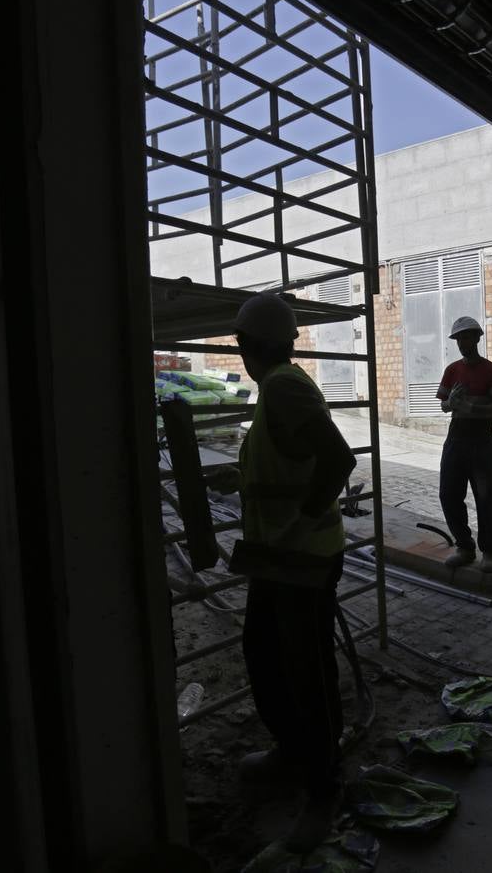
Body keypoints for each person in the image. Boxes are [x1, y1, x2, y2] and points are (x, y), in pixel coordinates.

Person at [204, 293, 356, 853]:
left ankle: (324, 785)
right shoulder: (279, 388)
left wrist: (297, 529)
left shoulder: (284, 386)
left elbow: (338, 460)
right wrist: (239, 481)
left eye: (240, 343)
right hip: (280, 554)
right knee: (264, 653)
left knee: (305, 669)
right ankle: (293, 752)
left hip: (303, 555)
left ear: (249, 345)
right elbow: (288, 463)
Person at [436, 316, 492, 573]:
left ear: (477, 337)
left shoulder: (491, 371)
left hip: (481, 440)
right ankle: (465, 547)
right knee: (448, 494)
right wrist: (452, 404)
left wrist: (472, 406)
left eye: (467, 337)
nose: (463, 342)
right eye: (459, 339)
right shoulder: (452, 370)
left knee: (485, 497)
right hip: (456, 438)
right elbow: (443, 405)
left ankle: (489, 551)